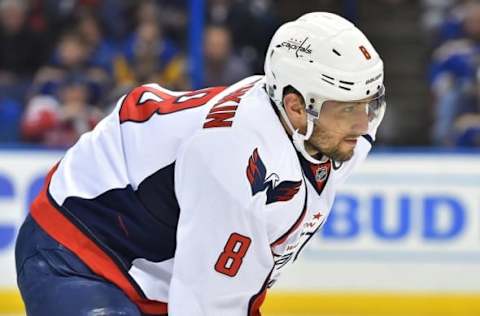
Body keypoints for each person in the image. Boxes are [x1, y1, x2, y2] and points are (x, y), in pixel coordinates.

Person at [15, 12, 385, 315]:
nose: (364, 123)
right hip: (75, 247)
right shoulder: (236, 163)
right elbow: (206, 307)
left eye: (370, 104)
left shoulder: (332, 127)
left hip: (157, 266)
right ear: (295, 106)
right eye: (349, 108)